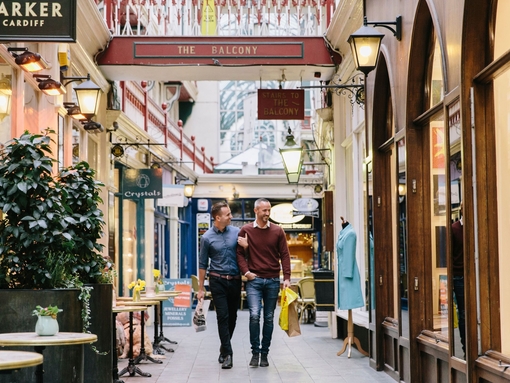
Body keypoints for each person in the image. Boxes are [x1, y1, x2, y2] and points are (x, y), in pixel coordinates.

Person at [236, 198, 291, 368]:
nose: (267, 213)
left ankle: (265, 353)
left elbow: (285, 255)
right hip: (254, 280)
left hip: (273, 280)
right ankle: (255, 352)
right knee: (254, 315)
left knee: (268, 318)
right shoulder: (245, 230)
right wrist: (246, 272)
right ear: (256, 211)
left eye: (269, 210)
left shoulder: (277, 231)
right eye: (264, 210)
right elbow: (238, 254)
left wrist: (287, 278)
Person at [197, 201, 248, 369]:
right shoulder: (206, 238)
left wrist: (246, 247)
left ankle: (223, 347)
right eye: (228, 215)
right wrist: (200, 288)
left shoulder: (237, 232)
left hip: (234, 280)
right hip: (217, 280)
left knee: (233, 317)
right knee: (222, 317)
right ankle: (228, 354)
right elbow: (203, 264)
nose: (231, 217)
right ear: (218, 217)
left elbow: (245, 254)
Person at [451, 202, 466, 357]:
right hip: (459, 276)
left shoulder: (476, 229)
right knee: (463, 312)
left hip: (474, 275)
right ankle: (466, 347)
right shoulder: (455, 229)